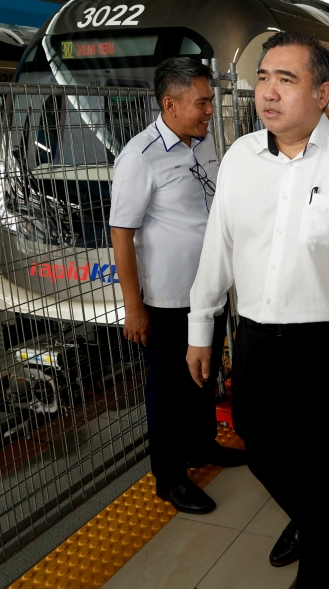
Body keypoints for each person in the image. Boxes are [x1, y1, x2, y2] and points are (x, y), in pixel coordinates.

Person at [187, 32, 329, 588]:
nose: (269, 92)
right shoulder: (239, 158)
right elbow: (219, 248)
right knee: (257, 440)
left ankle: (321, 575)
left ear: (322, 93)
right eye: (263, 78)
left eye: (286, 80)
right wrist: (200, 329)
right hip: (258, 335)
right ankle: (315, 521)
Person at [109, 57, 246, 515]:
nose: (210, 110)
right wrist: (134, 307)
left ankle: (201, 446)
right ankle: (169, 478)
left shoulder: (203, 144)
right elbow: (122, 233)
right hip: (167, 300)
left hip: (207, 293)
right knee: (168, 389)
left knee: (205, 376)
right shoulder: (139, 158)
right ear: (171, 103)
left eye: (210, 100)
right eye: (202, 102)